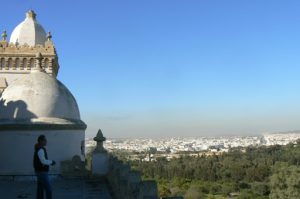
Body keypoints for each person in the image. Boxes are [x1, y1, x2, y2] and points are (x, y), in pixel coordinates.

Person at [33, 135, 56, 199]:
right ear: (41, 141)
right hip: (42, 172)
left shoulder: (38, 148)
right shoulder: (40, 150)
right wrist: (52, 162)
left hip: (39, 171)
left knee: (40, 189)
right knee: (49, 189)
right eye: (45, 140)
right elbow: (43, 161)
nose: (46, 141)